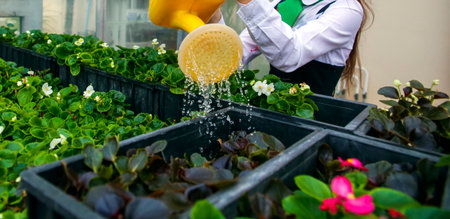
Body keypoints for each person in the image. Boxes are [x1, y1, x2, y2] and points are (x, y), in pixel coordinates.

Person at [209, 0, 373, 96]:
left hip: (312, 123)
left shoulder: (347, 9)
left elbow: (290, 56)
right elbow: (235, 55)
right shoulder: (284, 3)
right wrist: (213, 17)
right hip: (271, 110)